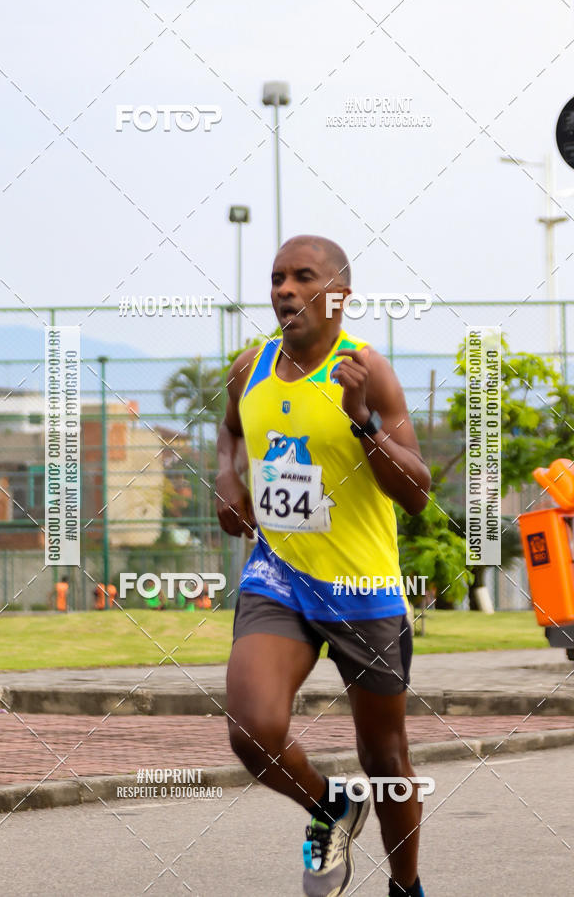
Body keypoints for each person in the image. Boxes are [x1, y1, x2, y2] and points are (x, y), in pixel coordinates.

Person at [215, 235, 431, 897]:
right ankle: (328, 807)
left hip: (362, 589)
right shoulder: (249, 367)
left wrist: (362, 421)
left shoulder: (366, 369)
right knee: (253, 731)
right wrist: (227, 477)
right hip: (278, 576)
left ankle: (405, 887)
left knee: (385, 759)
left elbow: (417, 491)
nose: (283, 289)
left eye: (301, 277)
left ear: (337, 293)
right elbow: (231, 430)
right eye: (276, 277)